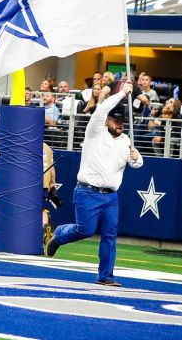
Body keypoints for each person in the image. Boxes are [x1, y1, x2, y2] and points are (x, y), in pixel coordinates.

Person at [46, 78, 142, 287]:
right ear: (107, 120)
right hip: (87, 192)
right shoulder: (95, 131)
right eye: (115, 120)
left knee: (110, 235)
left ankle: (106, 275)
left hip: (111, 196)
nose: (119, 124)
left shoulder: (126, 140)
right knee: (85, 230)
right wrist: (122, 94)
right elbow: (101, 109)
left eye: (122, 122)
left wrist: (136, 158)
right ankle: (60, 235)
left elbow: (135, 164)